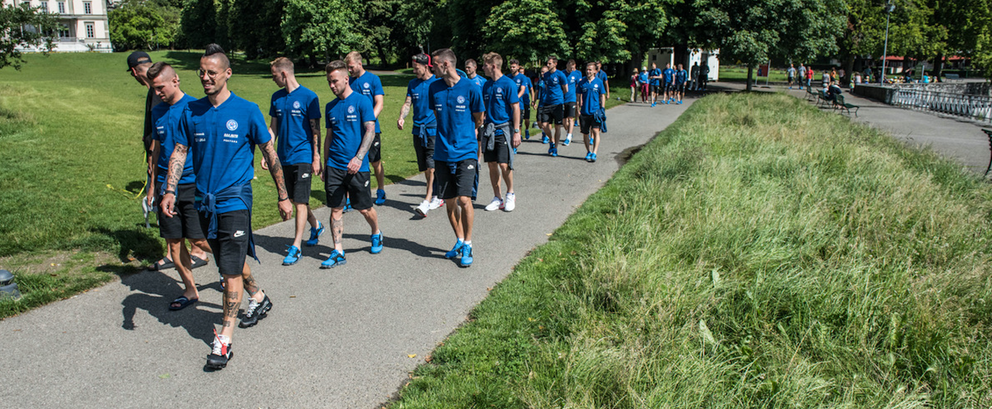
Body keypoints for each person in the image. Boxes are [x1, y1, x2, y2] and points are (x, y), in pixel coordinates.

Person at [161, 44, 289, 369]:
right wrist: (170, 189)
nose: (205, 77)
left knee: (228, 270)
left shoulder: (247, 111)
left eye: (211, 72)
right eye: (201, 72)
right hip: (204, 201)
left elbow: (270, 154)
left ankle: (225, 339)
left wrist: (283, 195)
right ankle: (258, 297)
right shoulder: (192, 111)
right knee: (227, 262)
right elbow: (178, 151)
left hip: (235, 199)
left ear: (227, 73)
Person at [145, 62, 211, 311]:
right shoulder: (157, 112)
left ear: (176, 80)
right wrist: (153, 186)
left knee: (200, 239)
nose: (158, 92)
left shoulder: (196, 108)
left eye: (161, 87)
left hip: (193, 183)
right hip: (165, 185)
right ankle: (190, 290)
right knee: (174, 243)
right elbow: (157, 148)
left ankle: (231, 271)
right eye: (154, 89)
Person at [319, 60, 385, 269]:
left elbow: (370, 130)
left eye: (335, 81)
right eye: (329, 82)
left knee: (364, 209)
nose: (332, 85)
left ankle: (376, 232)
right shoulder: (330, 107)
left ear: (346, 79)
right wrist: (325, 163)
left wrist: (358, 158)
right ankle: (338, 250)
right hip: (335, 166)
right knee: (336, 209)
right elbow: (328, 137)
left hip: (358, 167)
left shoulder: (361, 102)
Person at [428, 48, 485, 267]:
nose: (431, 67)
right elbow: (438, 115)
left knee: (464, 199)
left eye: (434, 64)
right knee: (449, 202)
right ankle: (459, 240)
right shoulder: (435, 88)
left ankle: (469, 244)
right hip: (442, 153)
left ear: (446, 64)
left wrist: (466, 134)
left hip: (466, 151)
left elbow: (479, 118)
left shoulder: (471, 87)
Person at [265, 57, 323, 266]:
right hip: (283, 157)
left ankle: (296, 245)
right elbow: (274, 129)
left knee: (299, 202)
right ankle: (316, 226)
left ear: (284, 74)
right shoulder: (277, 98)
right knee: (298, 198)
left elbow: (316, 130)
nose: (273, 79)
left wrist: (316, 157)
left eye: (274, 75)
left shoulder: (309, 97)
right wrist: (268, 153)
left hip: (303, 156)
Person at [398, 53, 444, 217]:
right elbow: (408, 103)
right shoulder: (413, 84)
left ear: (426, 66)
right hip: (417, 130)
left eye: (416, 68)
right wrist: (402, 117)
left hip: (433, 129)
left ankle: (427, 200)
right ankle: (438, 194)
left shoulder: (437, 83)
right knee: (425, 167)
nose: (414, 71)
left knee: (431, 167)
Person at [480, 52, 521, 213]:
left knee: (504, 164)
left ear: (494, 66)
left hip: (504, 129)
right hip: (489, 129)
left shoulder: (508, 84)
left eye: (485, 65)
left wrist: (516, 131)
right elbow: (484, 107)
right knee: (491, 165)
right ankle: (497, 197)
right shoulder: (487, 85)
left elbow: (515, 107)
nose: (483, 68)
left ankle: (510, 193)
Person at [345, 52, 388, 206]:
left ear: (359, 64)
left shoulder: (373, 79)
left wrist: (368, 120)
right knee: (351, 161)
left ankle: (381, 189)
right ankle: (349, 197)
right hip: (353, 130)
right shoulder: (348, 81)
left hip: (371, 129)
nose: (349, 70)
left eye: (351, 67)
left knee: (375, 161)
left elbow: (379, 103)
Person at [576, 62, 607, 162]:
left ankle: (594, 152)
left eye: (590, 70)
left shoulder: (599, 82)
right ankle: (588, 151)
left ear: (594, 71)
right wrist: (578, 110)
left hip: (595, 111)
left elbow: (602, 95)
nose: (588, 71)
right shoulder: (582, 82)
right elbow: (578, 97)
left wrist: (602, 108)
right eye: (587, 69)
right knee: (585, 133)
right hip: (584, 112)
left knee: (595, 131)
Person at [539, 57, 568, 157]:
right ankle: (551, 140)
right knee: (544, 125)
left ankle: (555, 148)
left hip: (558, 103)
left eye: (550, 63)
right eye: (547, 63)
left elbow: (566, 89)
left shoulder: (560, 74)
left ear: (555, 64)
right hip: (547, 103)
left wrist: (559, 97)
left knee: (557, 127)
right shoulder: (546, 75)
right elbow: (546, 87)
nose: (548, 65)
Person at [509, 61, 534, 140]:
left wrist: (515, 99)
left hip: (520, 104)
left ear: (518, 67)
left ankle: (519, 137)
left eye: (514, 67)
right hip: (509, 104)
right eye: (511, 67)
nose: (512, 68)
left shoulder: (523, 77)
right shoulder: (508, 77)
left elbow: (523, 90)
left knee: (519, 123)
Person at [562, 59, 582, 145]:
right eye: (570, 68)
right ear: (567, 66)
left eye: (573, 68)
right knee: (564, 121)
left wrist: (580, 99)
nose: (571, 70)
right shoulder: (562, 73)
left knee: (570, 118)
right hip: (562, 99)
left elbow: (579, 86)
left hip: (572, 98)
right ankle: (568, 132)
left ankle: (569, 136)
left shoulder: (576, 74)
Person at [533, 66, 548, 143]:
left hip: (548, 104)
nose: (542, 73)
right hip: (541, 103)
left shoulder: (550, 80)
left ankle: (546, 136)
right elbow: (537, 92)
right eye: (541, 72)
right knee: (539, 121)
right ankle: (543, 132)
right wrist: (534, 101)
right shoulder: (540, 81)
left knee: (546, 122)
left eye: (544, 72)